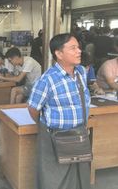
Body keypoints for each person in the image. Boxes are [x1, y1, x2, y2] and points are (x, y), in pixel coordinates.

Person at [28, 33, 91, 189]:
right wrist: (46, 127)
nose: (79, 51)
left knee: (80, 174)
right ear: (58, 53)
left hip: (78, 134)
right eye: (73, 48)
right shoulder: (47, 79)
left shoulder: (81, 72)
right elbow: (33, 108)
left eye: (78, 47)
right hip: (55, 136)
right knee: (54, 178)